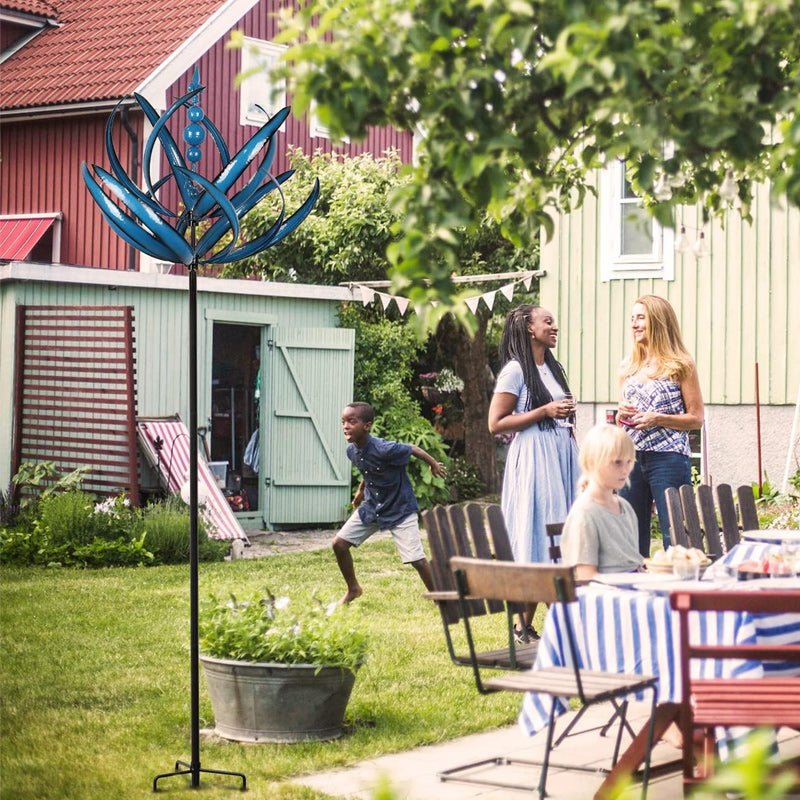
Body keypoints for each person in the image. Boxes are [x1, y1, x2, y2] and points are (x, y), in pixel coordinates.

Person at [488, 305, 580, 634]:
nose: (554, 327)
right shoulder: (515, 371)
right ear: (529, 328)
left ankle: (523, 626)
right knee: (542, 531)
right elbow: (495, 424)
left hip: (561, 454)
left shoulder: (553, 369)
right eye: (548, 322)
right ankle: (563, 626)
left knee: (560, 532)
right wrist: (544, 411)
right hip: (535, 458)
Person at [332, 401, 446, 604]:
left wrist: (433, 464)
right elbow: (369, 471)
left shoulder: (384, 449)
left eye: (352, 421)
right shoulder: (352, 451)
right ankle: (353, 589)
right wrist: (360, 492)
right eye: (343, 422)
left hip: (399, 508)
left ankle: (440, 597)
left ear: (367, 425)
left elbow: (412, 448)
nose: (346, 426)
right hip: (372, 507)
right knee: (339, 544)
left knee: (416, 559)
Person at [617, 295, 704, 557]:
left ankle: (678, 588)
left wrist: (658, 418)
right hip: (630, 458)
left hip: (668, 458)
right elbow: (624, 415)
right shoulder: (627, 367)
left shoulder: (681, 365)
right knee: (630, 533)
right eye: (632, 318)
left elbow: (697, 418)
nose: (634, 324)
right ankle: (633, 588)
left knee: (675, 533)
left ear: (658, 320)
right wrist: (622, 412)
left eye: (640, 317)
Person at [560, 424, 643, 581]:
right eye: (617, 462)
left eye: (629, 461)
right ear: (593, 462)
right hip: (605, 596)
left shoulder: (624, 507)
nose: (625, 470)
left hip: (633, 588)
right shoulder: (585, 513)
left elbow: (633, 564)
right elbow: (585, 577)